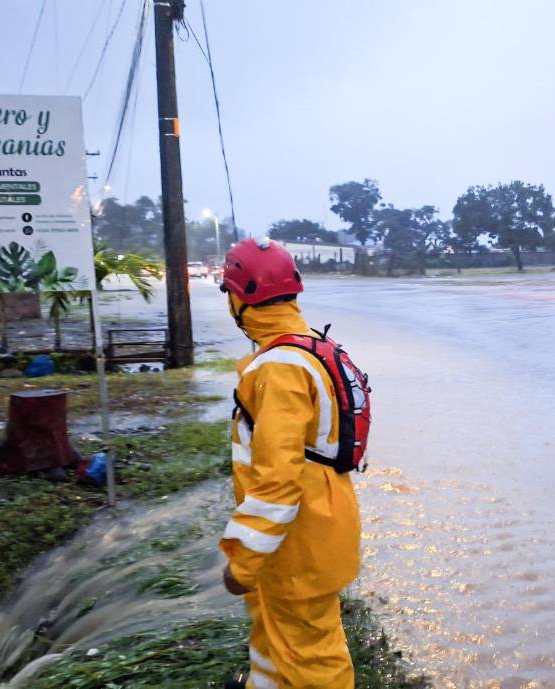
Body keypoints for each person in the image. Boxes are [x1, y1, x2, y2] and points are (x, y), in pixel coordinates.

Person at [218, 238, 361, 689]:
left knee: (313, 660)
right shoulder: (313, 346)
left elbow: (277, 483)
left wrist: (242, 563)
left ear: (240, 299)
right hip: (321, 521)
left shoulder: (277, 368)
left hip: (298, 540)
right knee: (277, 638)